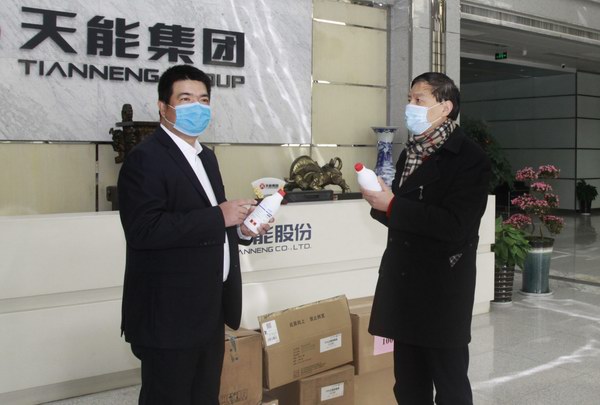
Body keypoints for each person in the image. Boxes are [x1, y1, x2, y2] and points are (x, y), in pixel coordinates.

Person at [118, 64, 269, 405]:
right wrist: (219, 216)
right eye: (185, 99)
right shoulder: (145, 159)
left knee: (204, 396)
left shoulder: (206, 158)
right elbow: (143, 230)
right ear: (163, 106)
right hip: (169, 315)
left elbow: (212, 225)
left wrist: (241, 228)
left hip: (208, 309)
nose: (196, 107)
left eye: (203, 100)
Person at [361, 72, 491, 405]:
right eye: (410, 99)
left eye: (419, 100)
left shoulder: (470, 157)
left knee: (450, 385)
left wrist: (393, 205)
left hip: (442, 287)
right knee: (408, 385)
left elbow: (456, 225)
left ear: (445, 107)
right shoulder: (412, 152)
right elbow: (404, 215)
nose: (411, 106)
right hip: (405, 284)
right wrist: (381, 202)